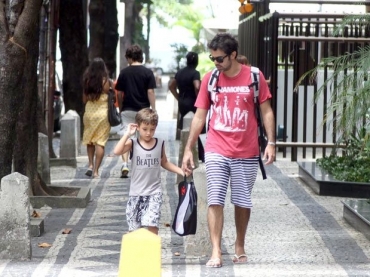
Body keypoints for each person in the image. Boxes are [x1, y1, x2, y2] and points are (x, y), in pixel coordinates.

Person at [181, 33, 276, 268]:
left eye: (220, 58)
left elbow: (266, 111)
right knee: (215, 199)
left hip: (246, 150)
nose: (216, 63)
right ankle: (216, 251)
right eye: (212, 58)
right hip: (216, 148)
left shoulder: (255, 77)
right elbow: (200, 115)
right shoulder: (210, 79)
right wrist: (188, 148)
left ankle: (239, 245)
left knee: (242, 201)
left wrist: (271, 143)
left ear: (233, 55)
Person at [113, 108, 184, 235]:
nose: (148, 133)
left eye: (152, 129)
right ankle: (137, 253)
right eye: (145, 129)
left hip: (154, 193)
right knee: (134, 229)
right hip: (136, 193)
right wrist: (127, 134)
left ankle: (151, 253)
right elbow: (117, 151)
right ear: (138, 127)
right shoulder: (133, 143)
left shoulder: (159, 143)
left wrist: (181, 171)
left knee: (153, 226)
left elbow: (164, 162)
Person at [115, 45, 157, 178]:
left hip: (127, 109)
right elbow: (150, 91)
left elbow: (120, 93)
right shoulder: (147, 73)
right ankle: (139, 165)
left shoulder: (124, 72)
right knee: (141, 138)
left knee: (127, 136)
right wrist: (153, 109)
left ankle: (125, 164)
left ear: (129, 57)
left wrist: (121, 107)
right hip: (143, 110)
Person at [168, 51, 205, 162]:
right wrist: (200, 98)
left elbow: (171, 86)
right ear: (196, 61)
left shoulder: (180, 72)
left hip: (183, 103)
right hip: (193, 103)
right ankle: (200, 154)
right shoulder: (195, 73)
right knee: (198, 126)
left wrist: (178, 97)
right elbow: (197, 86)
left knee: (186, 126)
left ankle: (186, 149)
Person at [82, 57, 111, 178]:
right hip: (102, 114)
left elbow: (84, 100)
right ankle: (96, 171)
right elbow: (109, 96)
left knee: (90, 140)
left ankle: (90, 165)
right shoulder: (105, 82)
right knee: (100, 142)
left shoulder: (87, 81)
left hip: (89, 113)